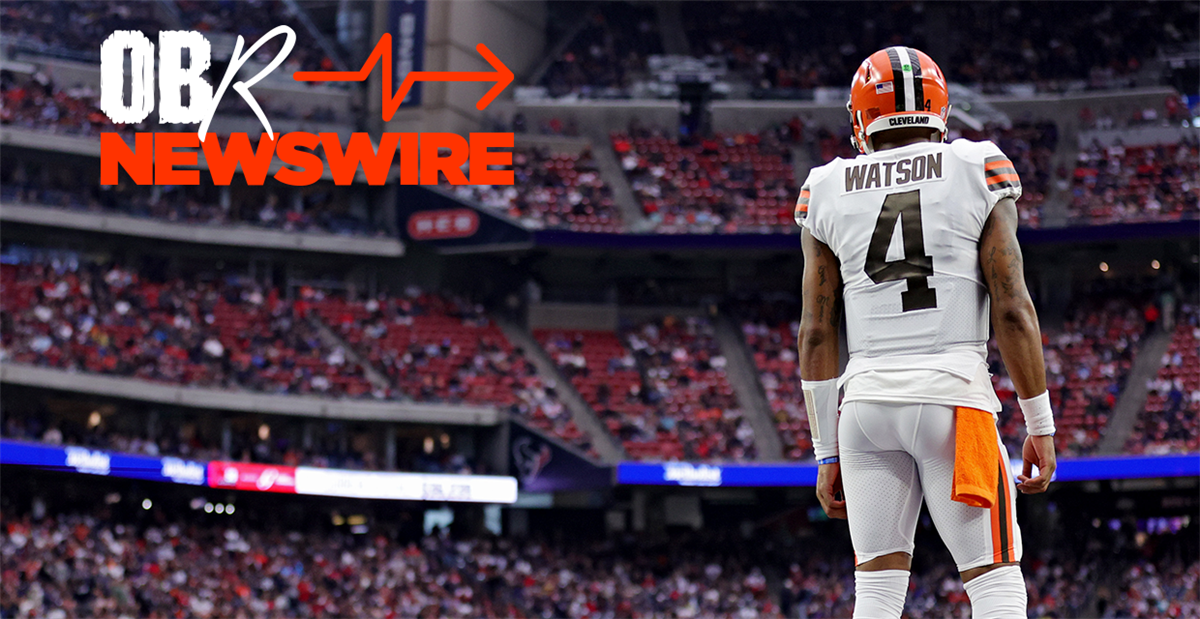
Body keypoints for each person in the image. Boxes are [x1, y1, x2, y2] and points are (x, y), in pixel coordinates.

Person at [796, 47, 1056, 619]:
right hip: (953, 399)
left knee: (878, 594)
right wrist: (1041, 425)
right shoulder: (977, 166)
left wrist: (824, 452)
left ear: (862, 116)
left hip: (863, 408)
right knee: (995, 584)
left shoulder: (825, 185)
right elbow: (1012, 307)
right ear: (938, 108)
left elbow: (816, 330)